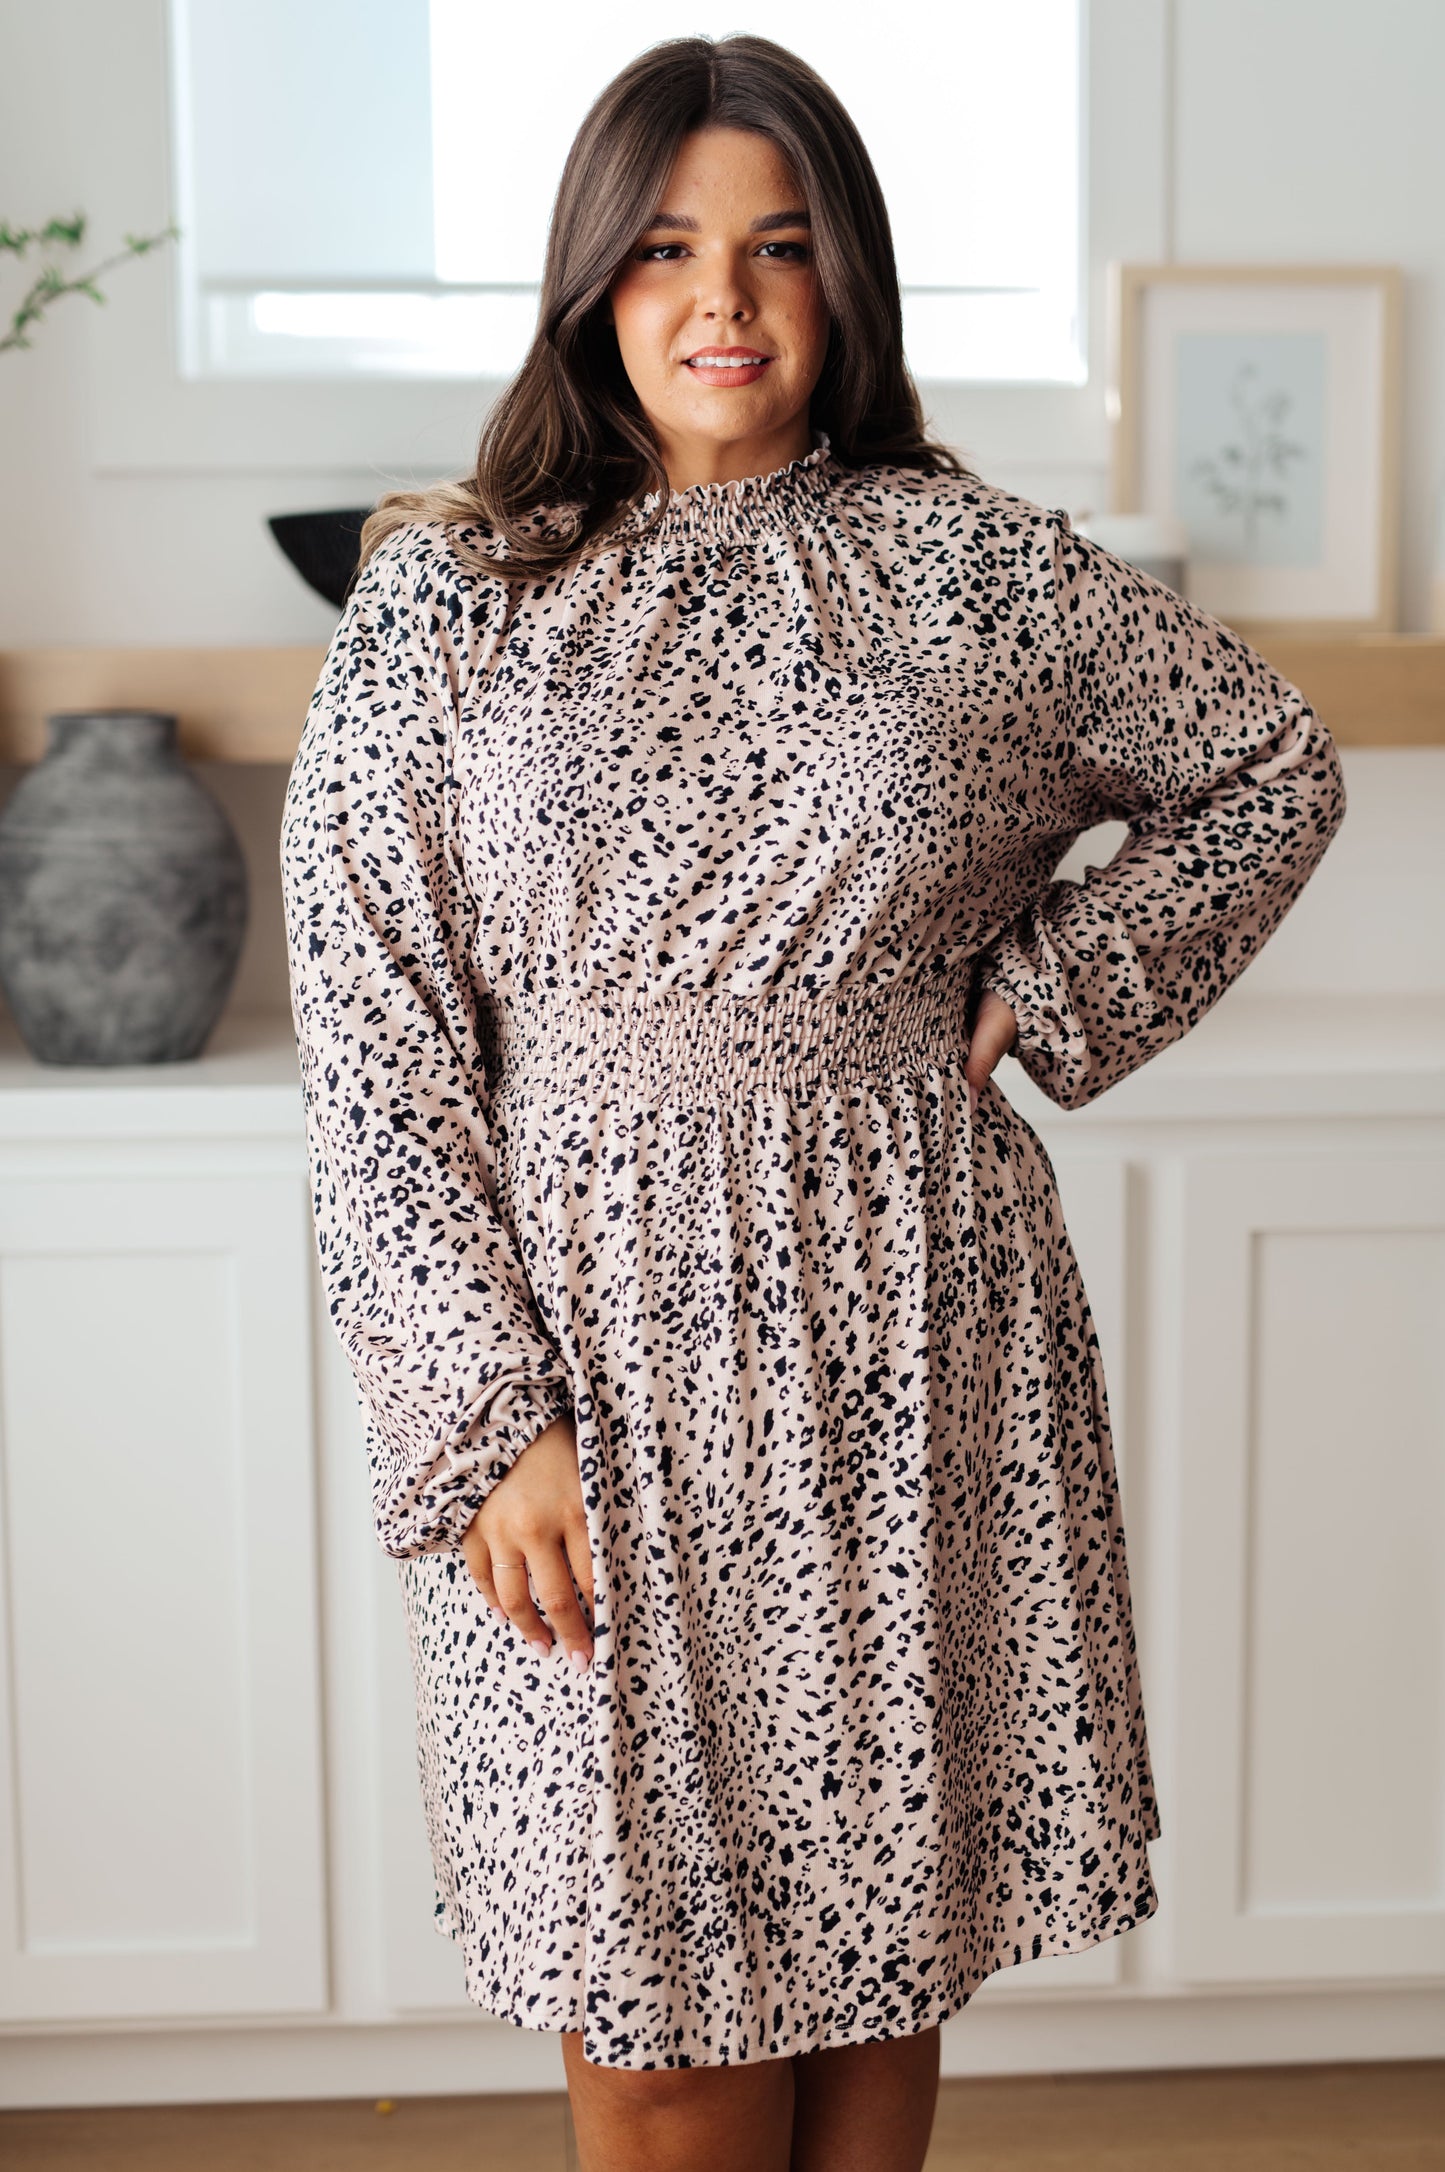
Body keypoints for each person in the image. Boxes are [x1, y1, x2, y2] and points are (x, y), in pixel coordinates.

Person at [280, 32, 1346, 2172]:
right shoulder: (449, 595)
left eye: (778, 248)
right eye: (666, 248)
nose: (724, 301)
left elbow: (1267, 769)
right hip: (585, 1354)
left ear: (845, 275)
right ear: (590, 280)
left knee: (879, 1961)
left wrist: (1055, 987)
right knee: (657, 2029)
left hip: (905, 1318)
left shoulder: (977, 566)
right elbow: (372, 1031)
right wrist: (488, 1419)